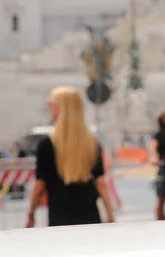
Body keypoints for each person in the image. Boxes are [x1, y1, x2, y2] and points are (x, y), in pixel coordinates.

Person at [26, 87, 115, 227]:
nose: (50, 109)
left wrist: (31, 214)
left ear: (59, 108)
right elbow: (101, 183)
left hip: (59, 216)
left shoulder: (47, 145)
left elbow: (39, 185)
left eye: (52, 105)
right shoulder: (91, 143)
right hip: (90, 215)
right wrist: (110, 215)